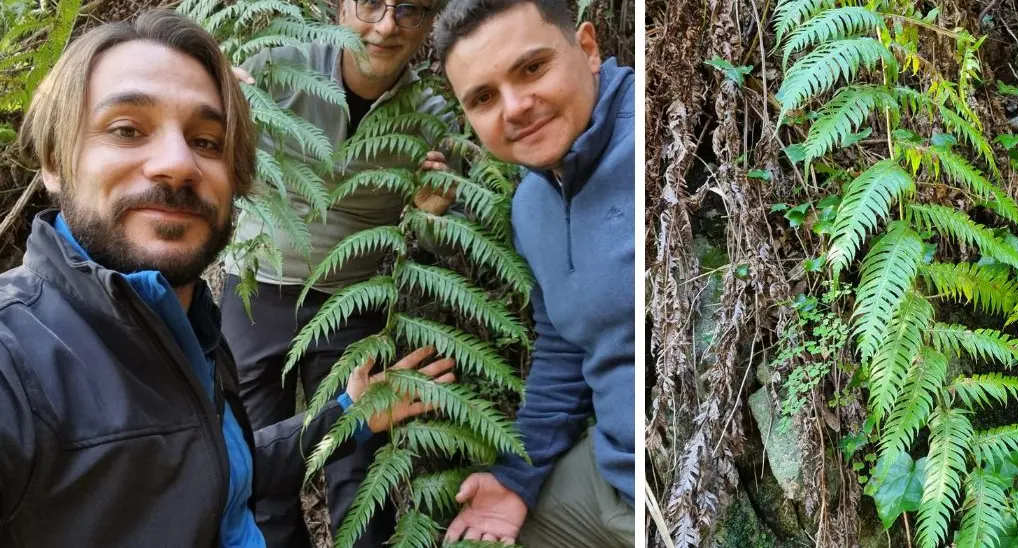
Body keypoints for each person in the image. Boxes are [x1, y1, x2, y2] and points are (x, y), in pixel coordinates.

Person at [0, 10, 453, 547]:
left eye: (207, 140)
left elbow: (221, 463)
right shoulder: (18, 358)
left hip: (350, 297)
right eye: (127, 129)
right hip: (261, 289)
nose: (177, 162)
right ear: (54, 159)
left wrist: (348, 414)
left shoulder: (191, 328)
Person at [218, 0, 458, 545]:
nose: (387, 25)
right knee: (258, 457)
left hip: (353, 303)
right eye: (371, 3)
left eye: (410, 10)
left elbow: (431, 243)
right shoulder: (277, 69)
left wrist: (427, 214)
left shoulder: (431, 118)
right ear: (338, 7)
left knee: (358, 463)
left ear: (429, 24)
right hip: (256, 288)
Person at [433, 1, 635, 546]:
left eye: (532, 68)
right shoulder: (531, 203)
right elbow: (567, 350)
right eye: (483, 98)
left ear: (588, 49)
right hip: (611, 473)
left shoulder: (662, 139)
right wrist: (516, 478)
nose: (516, 107)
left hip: (686, 489)